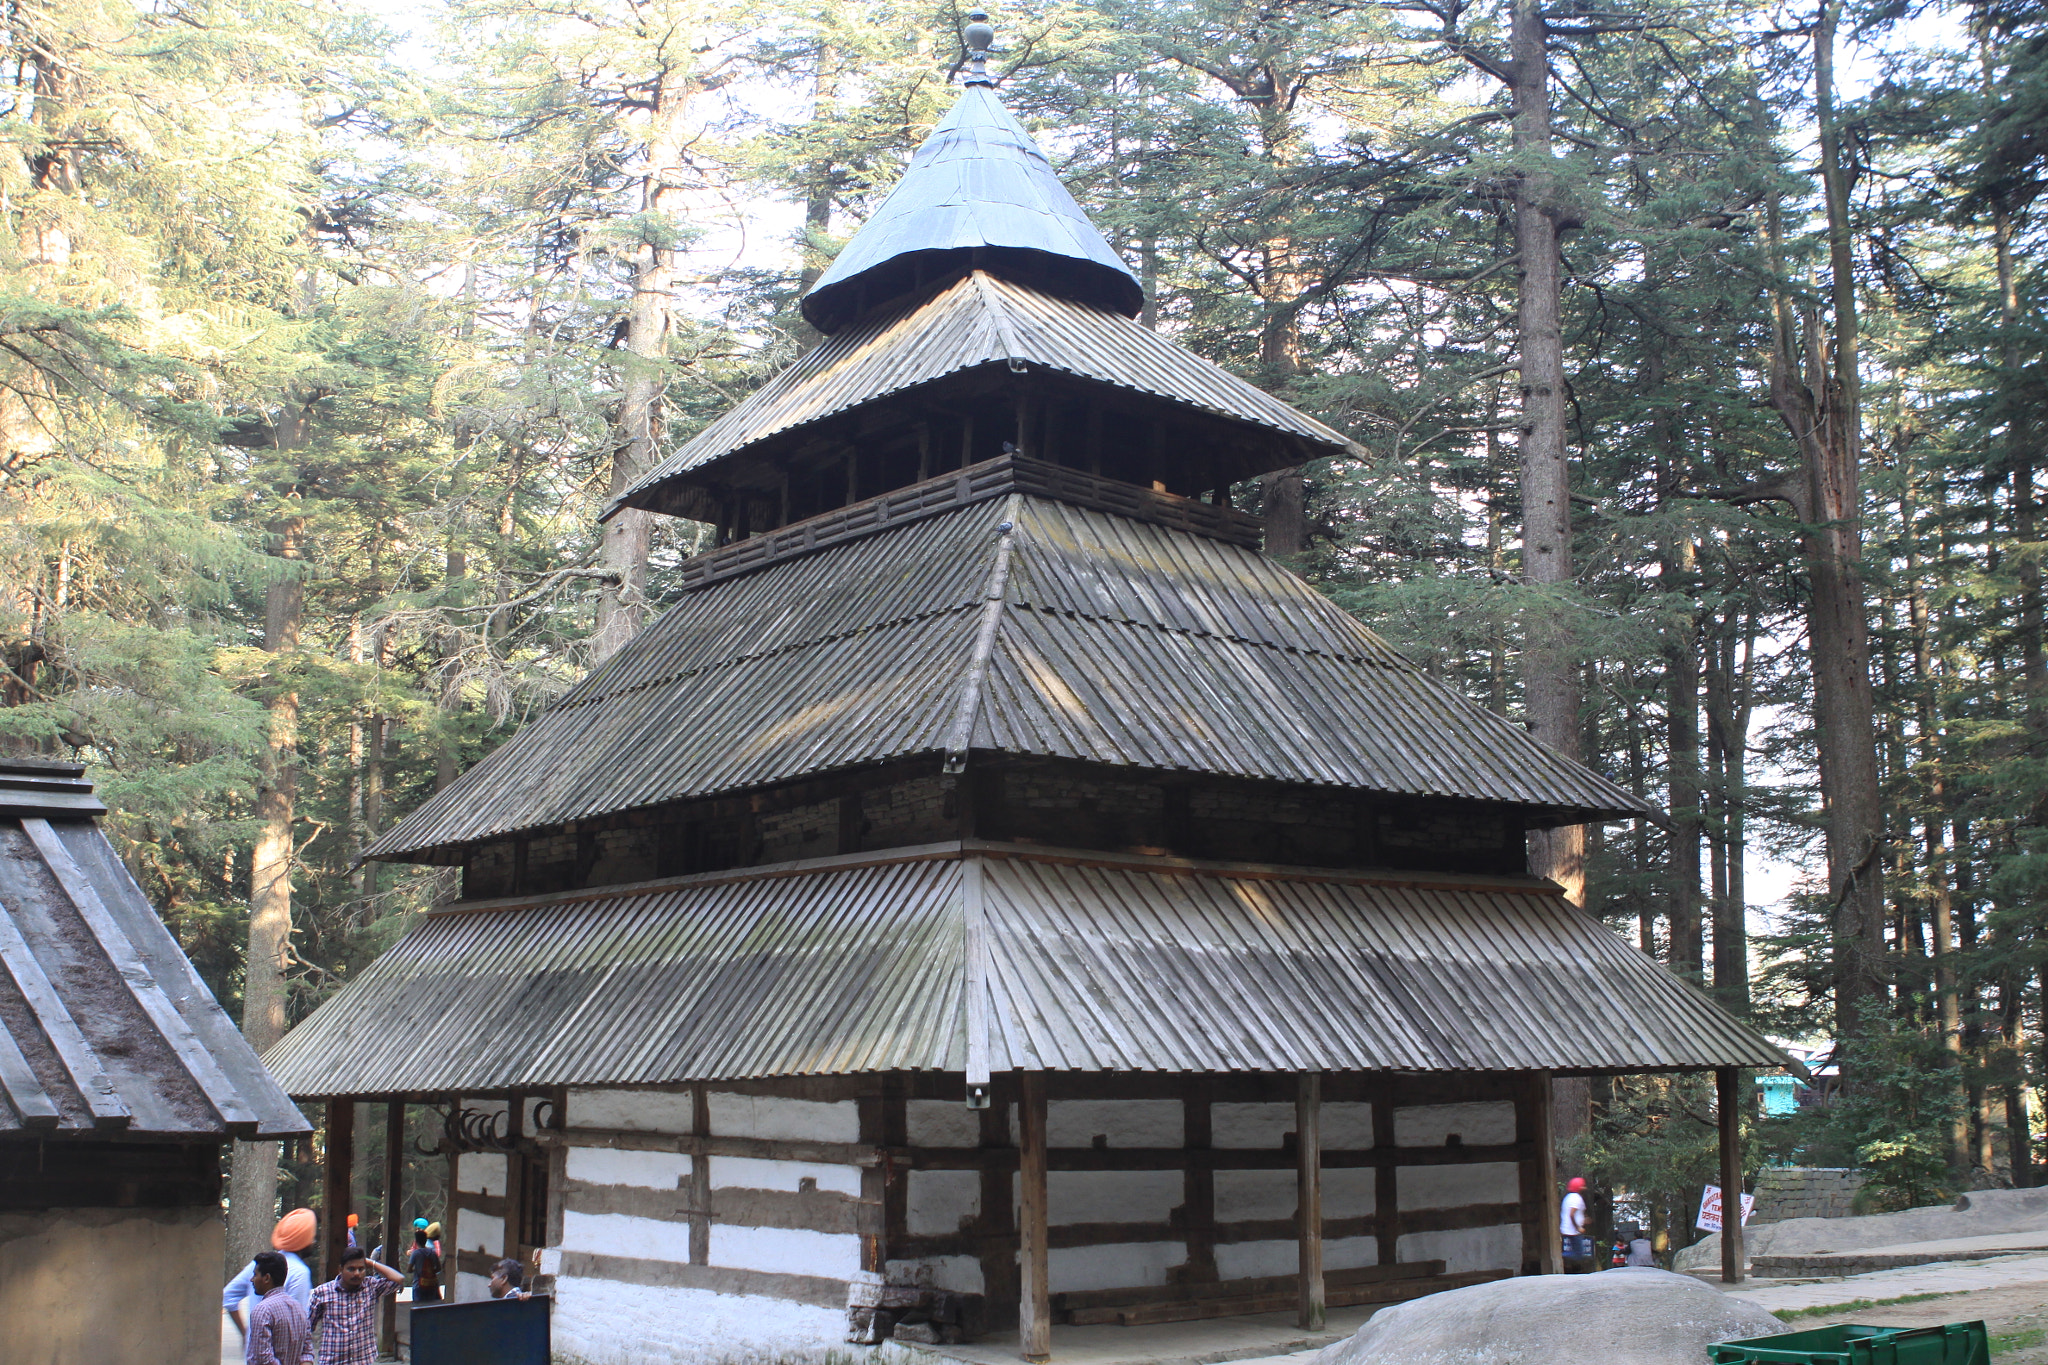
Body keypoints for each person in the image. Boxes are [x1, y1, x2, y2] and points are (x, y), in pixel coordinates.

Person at [225, 1209, 317, 1337]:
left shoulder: (259, 1264)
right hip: (280, 1354)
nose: (313, 1242)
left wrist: (246, 1334)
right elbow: (297, 1324)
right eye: (311, 1236)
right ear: (304, 1240)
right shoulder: (300, 1273)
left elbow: (228, 1296)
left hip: (254, 1352)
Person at [307, 1245, 404, 1365]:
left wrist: (372, 1263)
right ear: (341, 1269)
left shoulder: (370, 1286)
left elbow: (398, 1279)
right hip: (332, 1361)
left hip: (363, 1360)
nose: (357, 1274)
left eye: (361, 1269)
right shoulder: (323, 1293)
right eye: (351, 1269)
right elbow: (307, 1328)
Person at [244, 1251, 310, 1365]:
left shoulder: (263, 1310)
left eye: (255, 1275)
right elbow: (307, 1352)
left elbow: (264, 1358)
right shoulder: (299, 1308)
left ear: (266, 1278)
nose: (252, 1279)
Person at [1560, 1176, 1592, 1271]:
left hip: (1567, 1229)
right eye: (1582, 1186)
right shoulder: (1576, 1198)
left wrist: (1584, 1220)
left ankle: (1564, 1260)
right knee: (1578, 1254)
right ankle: (1559, 1256)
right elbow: (1571, 1214)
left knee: (1575, 1253)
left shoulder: (1568, 1197)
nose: (1584, 1188)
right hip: (1573, 1231)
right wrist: (1578, 1227)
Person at [408, 1226, 443, 1304]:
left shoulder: (415, 1253)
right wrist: (429, 1271)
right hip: (432, 1284)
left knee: (418, 1308)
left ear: (416, 1241)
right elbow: (439, 1268)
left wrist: (417, 1269)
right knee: (431, 1307)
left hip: (418, 1285)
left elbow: (409, 1269)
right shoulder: (432, 1252)